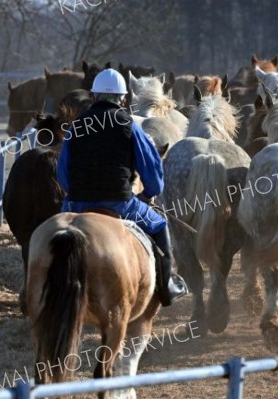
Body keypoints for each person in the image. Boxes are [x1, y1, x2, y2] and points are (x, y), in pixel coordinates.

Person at [56, 68, 187, 306]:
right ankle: (166, 287)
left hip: (76, 204)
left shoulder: (76, 127)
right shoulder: (130, 125)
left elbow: (62, 175)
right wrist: (149, 194)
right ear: (123, 98)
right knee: (159, 225)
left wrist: (74, 195)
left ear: (94, 96)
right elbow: (152, 174)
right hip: (119, 203)